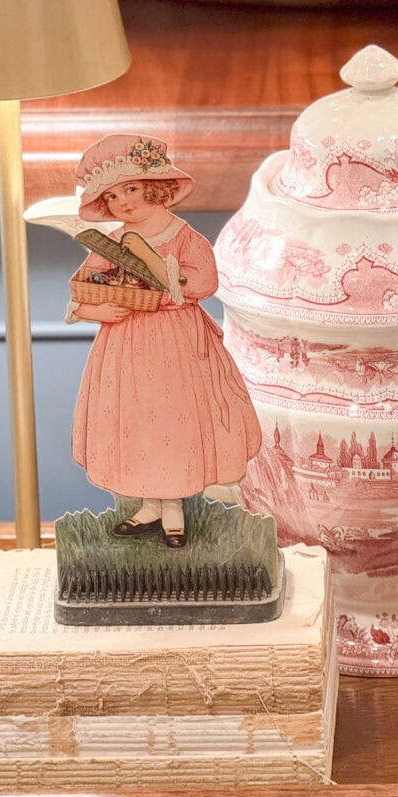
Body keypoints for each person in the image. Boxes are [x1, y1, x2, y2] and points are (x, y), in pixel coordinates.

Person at [68, 134, 262, 548]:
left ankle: (174, 508)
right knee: (136, 421)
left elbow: (204, 283)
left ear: (154, 187)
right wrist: (96, 311)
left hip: (176, 342)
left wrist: (158, 267)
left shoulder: (185, 237)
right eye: (114, 196)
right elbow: (84, 288)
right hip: (125, 344)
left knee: (174, 420)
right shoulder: (112, 242)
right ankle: (150, 505)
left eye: (131, 189)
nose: (123, 202)